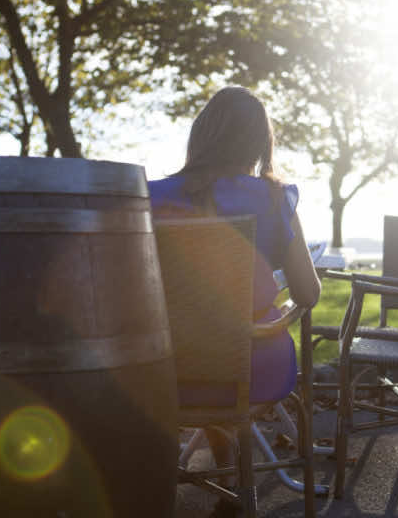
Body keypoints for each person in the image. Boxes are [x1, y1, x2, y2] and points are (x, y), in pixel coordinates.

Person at [148, 86, 320, 517]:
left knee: (210, 331)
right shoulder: (274, 198)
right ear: (259, 142)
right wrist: (276, 303)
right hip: (252, 364)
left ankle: (224, 474)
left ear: (201, 135)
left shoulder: (150, 196)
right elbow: (309, 294)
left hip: (166, 366)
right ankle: (233, 480)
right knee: (237, 334)